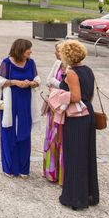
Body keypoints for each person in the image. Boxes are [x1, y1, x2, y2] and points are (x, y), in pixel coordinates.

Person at [57, 40, 99, 210]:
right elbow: (90, 96)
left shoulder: (72, 73)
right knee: (87, 153)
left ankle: (75, 198)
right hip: (88, 112)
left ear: (66, 55)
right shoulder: (88, 70)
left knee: (74, 155)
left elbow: (75, 97)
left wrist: (58, 95)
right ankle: (89, 194)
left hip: (76, 117)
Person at [0, 39, 41, 178]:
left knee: (25, 132)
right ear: (21, 49)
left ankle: (23, 168)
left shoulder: (31, 63)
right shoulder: (6, 63)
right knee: (8, 132)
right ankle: (9, 167)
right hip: (10, 102)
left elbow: (37, 80)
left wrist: (30, 83)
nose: (31, 52)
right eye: (29, 49)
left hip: (26, 102)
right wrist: (15, 82)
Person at [42, 43, 64, 184]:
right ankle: (51, 171)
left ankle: (61, 173)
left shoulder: (71, 68)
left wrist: (56, 85)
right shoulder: (57, 63)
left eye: (57, 51)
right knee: (52, 137)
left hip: (63, 109)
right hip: (53, 106)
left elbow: (65, 85)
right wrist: (59, 85)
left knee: (61, 139)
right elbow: (48, 80)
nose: (55, 53)